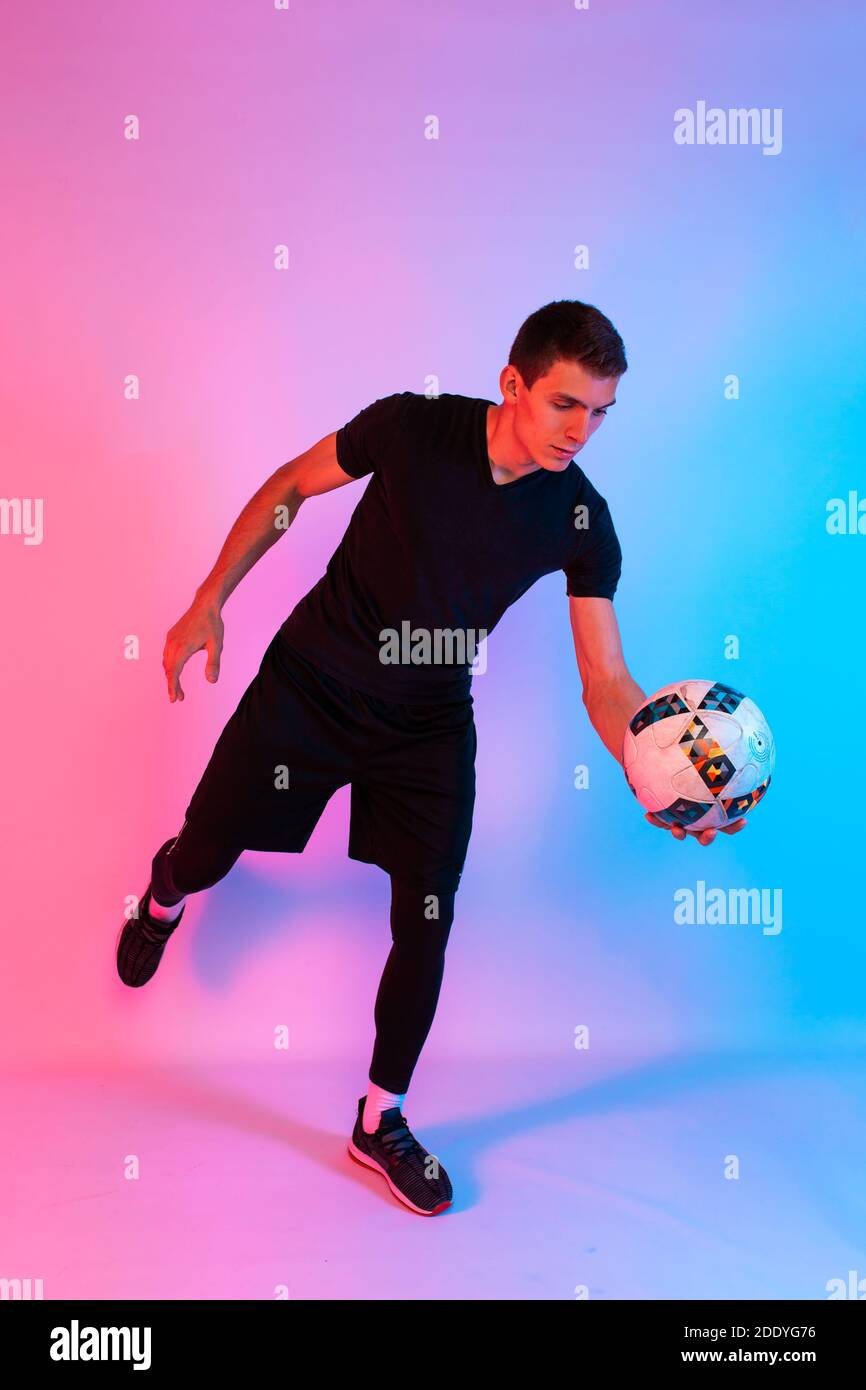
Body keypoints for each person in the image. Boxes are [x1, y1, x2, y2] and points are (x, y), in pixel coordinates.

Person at [115, 299, 745, 1217]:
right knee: (207, 845)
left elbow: (606, 681)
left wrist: (652, 772)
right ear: (513, 385)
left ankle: (381, 1121)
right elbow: (292, 484)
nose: (584, 429)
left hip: (428, 725)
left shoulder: (579, 518)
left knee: (428, 918)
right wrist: (211, 595)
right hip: (312, 685)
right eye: (567, 403)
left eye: (603, 411)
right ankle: (165, 892)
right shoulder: (412, 426)